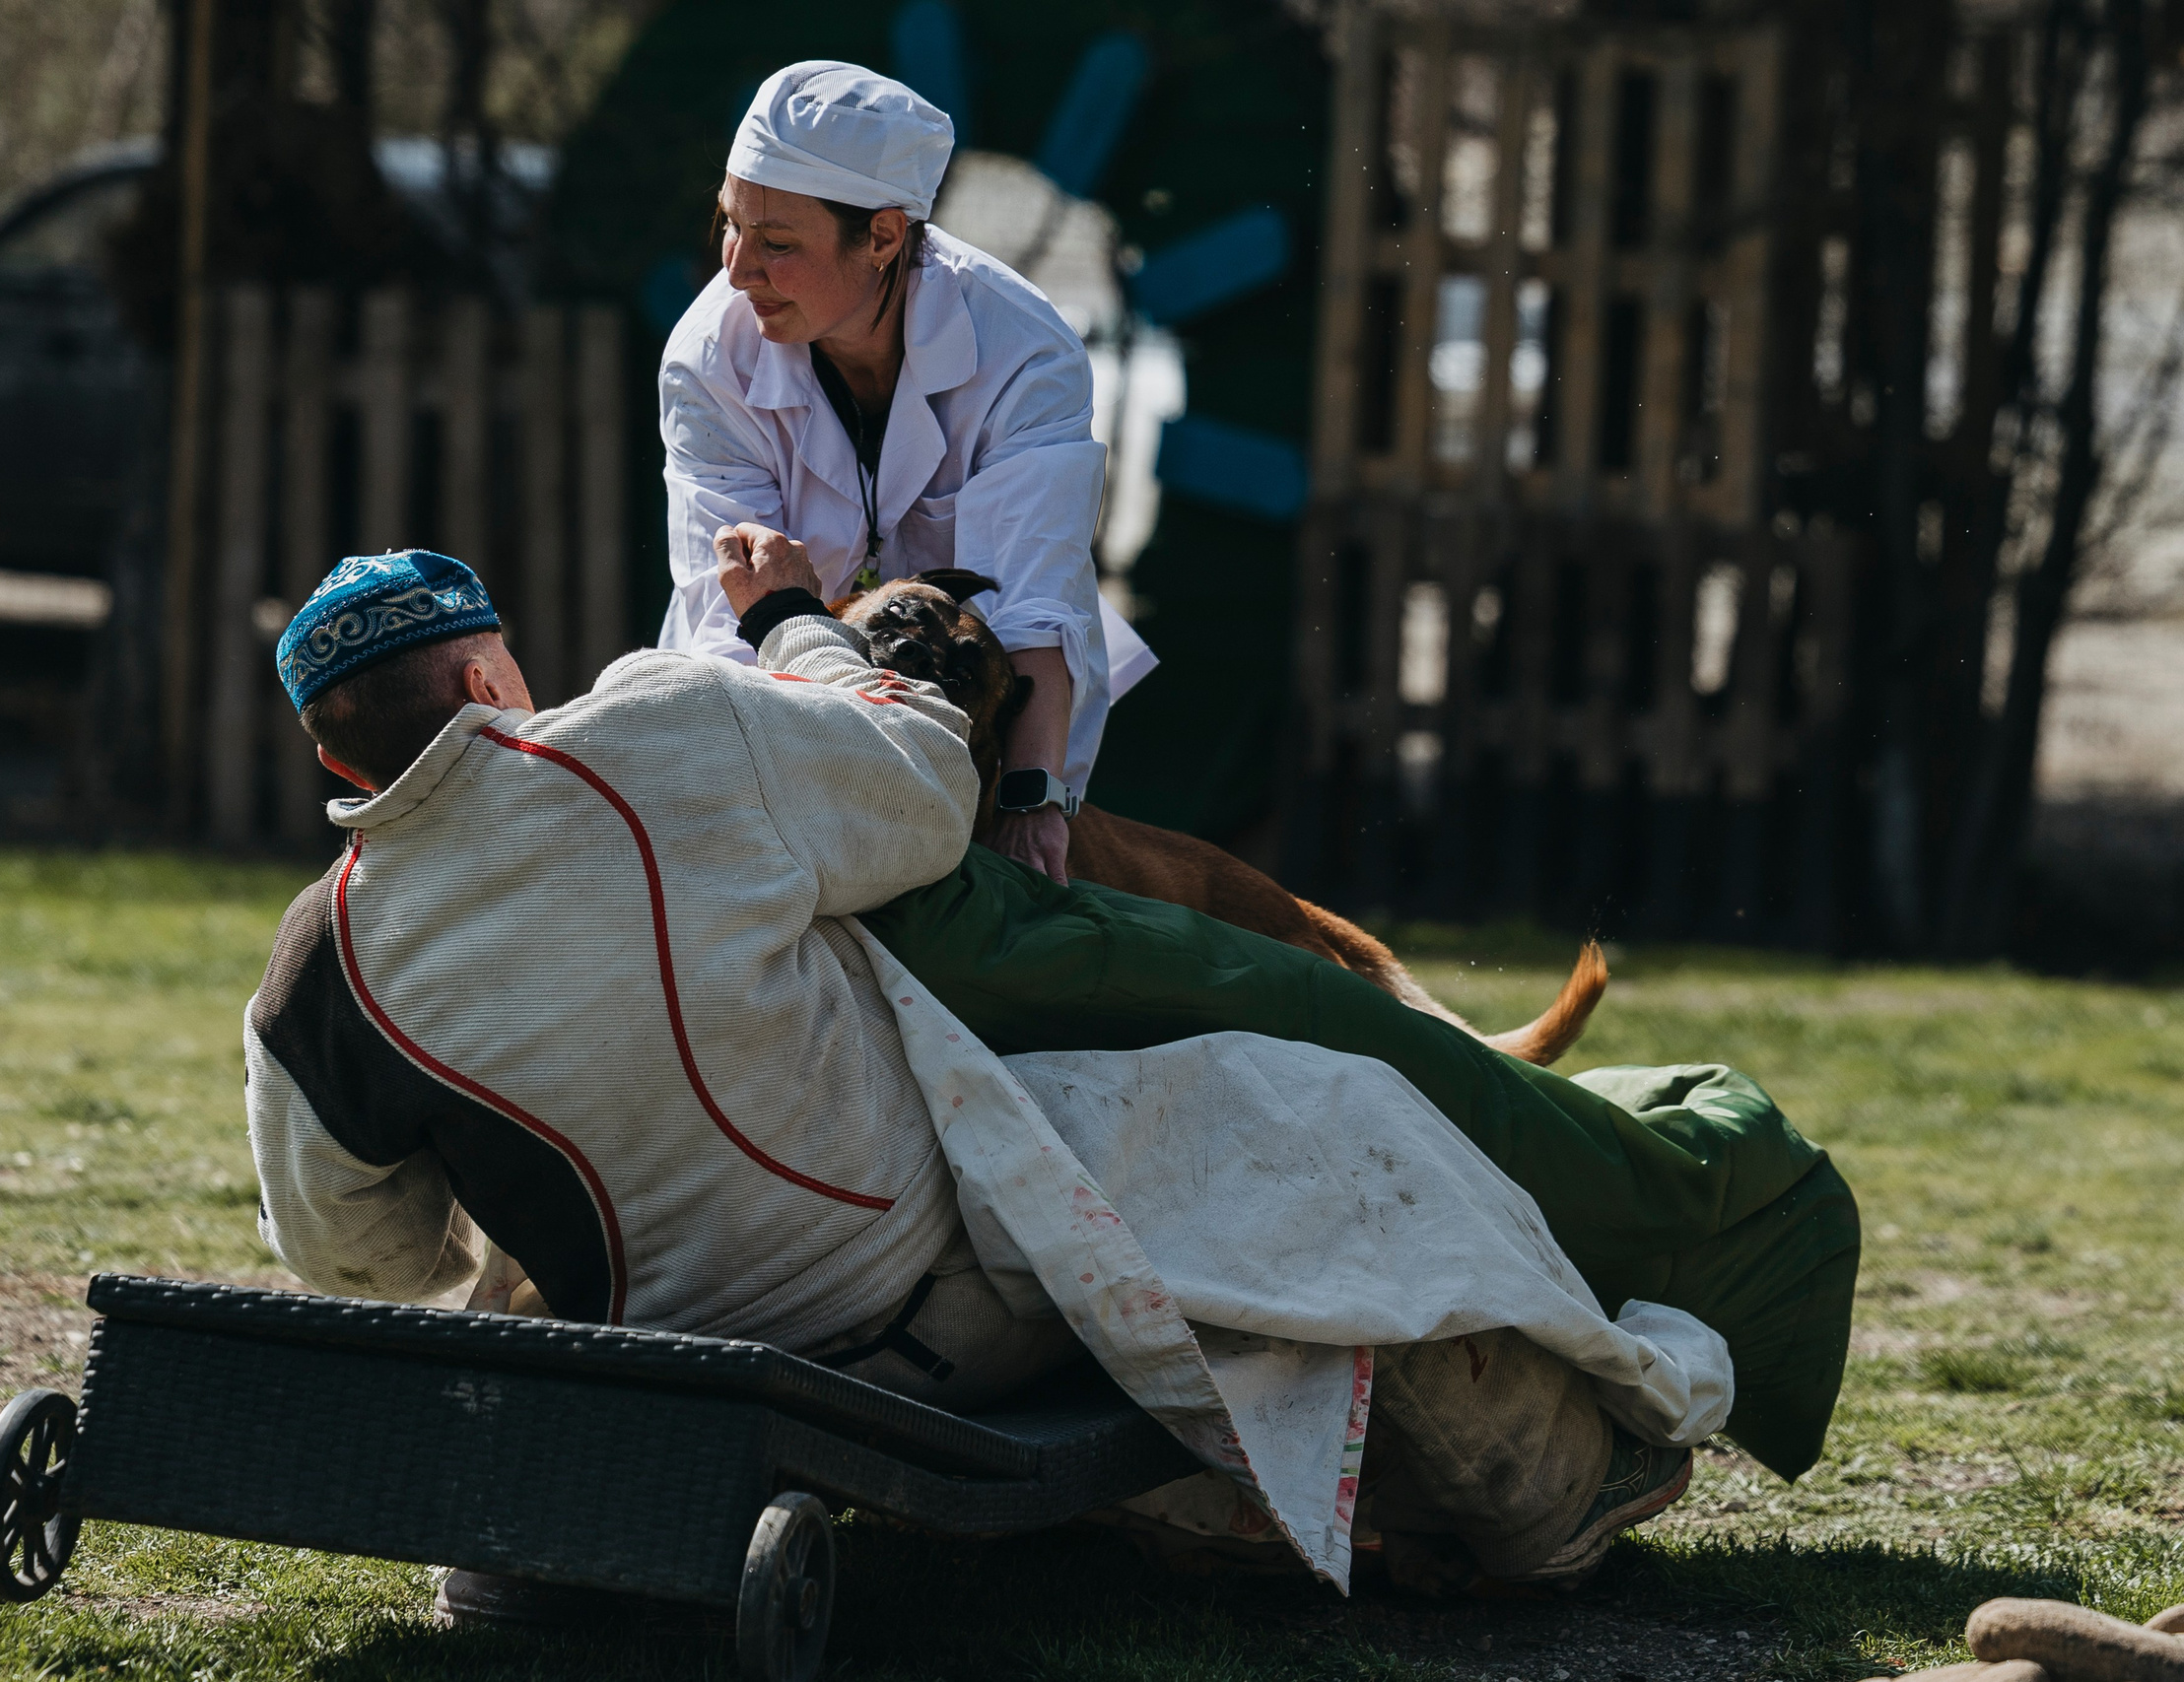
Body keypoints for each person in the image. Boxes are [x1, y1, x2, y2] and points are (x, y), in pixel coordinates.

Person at [246, 544, 1774, 1613]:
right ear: (491, 665)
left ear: (337, 751)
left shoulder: (312, 968)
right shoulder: (654, 731)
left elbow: (356, 1254)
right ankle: (1556, 1486)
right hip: (927, 1320)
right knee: (1304, 1118)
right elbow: (922, 784)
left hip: (649, 1382)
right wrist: (790, 616)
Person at [655, 60, 1156, 885]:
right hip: (772, 690)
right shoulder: (710, 355)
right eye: (729, 225)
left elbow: (1033, 603)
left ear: (884, 237)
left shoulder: (1025, 354)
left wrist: (1031, 802)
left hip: (973, 715)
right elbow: (727, 616)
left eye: (778, 244)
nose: (738, 270)